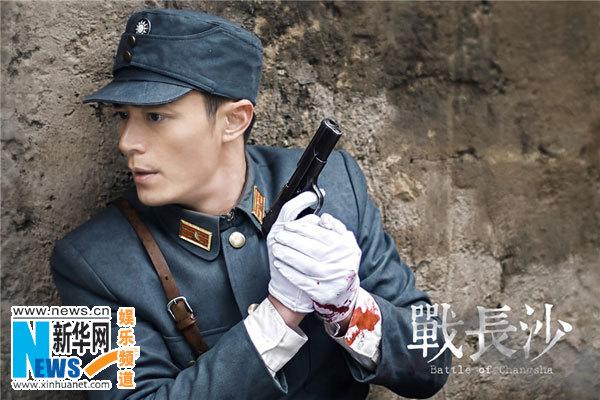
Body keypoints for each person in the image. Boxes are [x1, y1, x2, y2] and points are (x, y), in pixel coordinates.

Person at [50, 8, 451, 400]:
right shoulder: (85, 262)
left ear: (235, 120)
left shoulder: (336, 183)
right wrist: (276, 319)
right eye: (122, 115)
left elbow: (433, 362)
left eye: (155, 117)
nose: (126, 142)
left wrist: (349, 309)